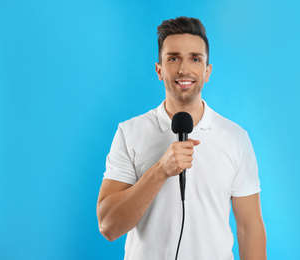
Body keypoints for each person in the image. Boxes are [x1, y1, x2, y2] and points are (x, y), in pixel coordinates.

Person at [97, 17, 267, 260]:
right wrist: (160, 171)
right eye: (173, 58)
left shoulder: (235, 138)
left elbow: (249, 229)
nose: (184, 69)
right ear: (159, 70)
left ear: (207, 71)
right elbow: (109, 226)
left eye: (195, 59)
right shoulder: (130, 132)